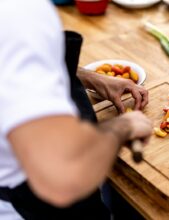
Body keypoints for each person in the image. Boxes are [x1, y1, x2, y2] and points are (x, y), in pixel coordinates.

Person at [0, 0, 152, 219]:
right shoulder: (21, 13)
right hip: (31, 206)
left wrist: (90, 77)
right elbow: (62, 175)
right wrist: (122, 128)